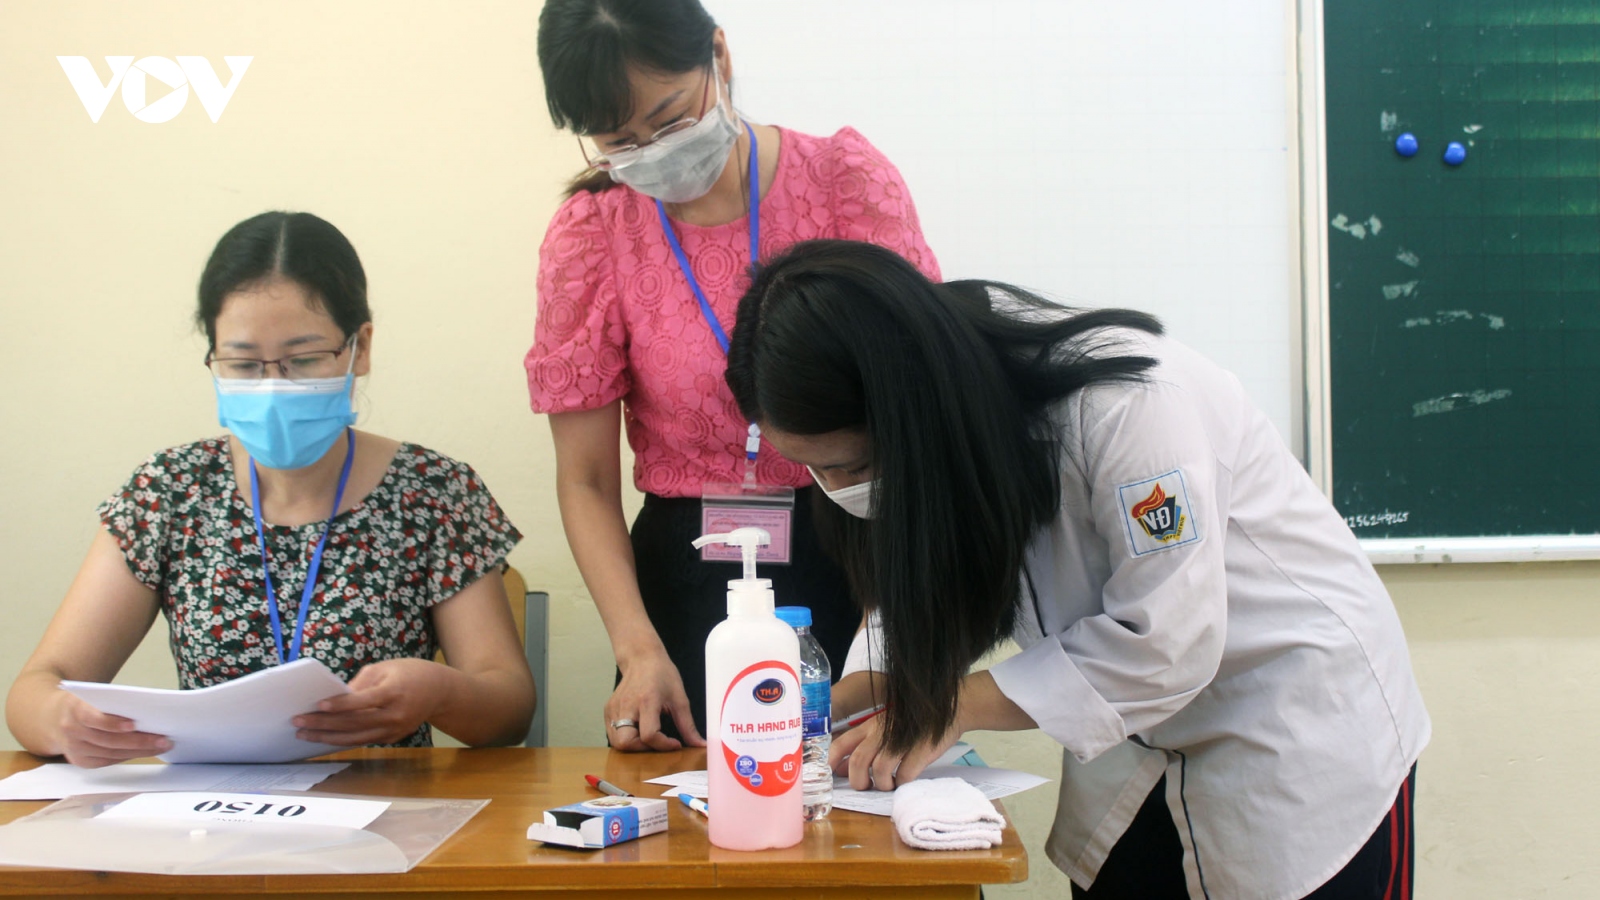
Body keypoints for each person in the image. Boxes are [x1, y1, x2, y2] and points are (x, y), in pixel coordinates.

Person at [724, 239, 1431, 900]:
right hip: (1136, 738)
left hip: (1285, 713)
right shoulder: (933, 400)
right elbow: (928, 575)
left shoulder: (1129, 405)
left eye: (853, 466)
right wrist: (864, 686)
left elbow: (1169, 640)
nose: (838, 488)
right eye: (816, 469)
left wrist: (950, 704)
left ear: (910, 415)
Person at [526, 0, 940, 751]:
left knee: (859, 785)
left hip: (860, 546)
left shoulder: (843, 183)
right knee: (688, 804)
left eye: (671, 118)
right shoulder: (594, 232)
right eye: (620, 141)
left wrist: (892, 630)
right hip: (685, 577)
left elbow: (920, 406)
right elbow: (584, 480)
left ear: (718, 56)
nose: (654, 152)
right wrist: (638, 650)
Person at [5, 212, 536, 768]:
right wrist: (61, 718)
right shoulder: (169, 492)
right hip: (208, 813)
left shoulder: (434, 492)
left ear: (360, 349)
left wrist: (441, 692)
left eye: (303, 360)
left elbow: (509, 712)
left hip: (382, 806)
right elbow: (37, 688)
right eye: (242, 364)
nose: (273, 386)